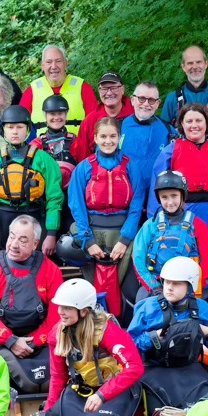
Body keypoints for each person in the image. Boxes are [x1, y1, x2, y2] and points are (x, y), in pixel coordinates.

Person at [38, 279, 145, 416]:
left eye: (67, 308)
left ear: (84, 311)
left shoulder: (108, 331)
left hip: (114, 388)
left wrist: (103, 394)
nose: (61, 312)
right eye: (60, 307)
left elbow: (134, 368)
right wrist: (47, 410)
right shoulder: (58, 332)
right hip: (84, 388)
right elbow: (58, 377)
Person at [65, 117, 146, 315]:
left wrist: (125, 240)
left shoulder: (131, 167)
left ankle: (124, 329)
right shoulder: (84, 168)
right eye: (103, 136)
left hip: (122, 233)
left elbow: (136, 207)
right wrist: (88, 240)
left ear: (119, 137)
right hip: (92, 231)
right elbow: (76, 206)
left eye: (113, 136)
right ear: (95, 138)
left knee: (127, 289)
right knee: (92, 290)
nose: (108, 141)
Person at [0, 216, 64, 393]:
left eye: (23, 240)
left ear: (35, 244)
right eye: (12, 237)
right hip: (2, 340)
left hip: (40, 341)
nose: (14, 244)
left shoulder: (50, 270)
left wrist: (34, 342)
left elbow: (57, 316)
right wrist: (10, 340)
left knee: (46, 383)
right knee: (28, 383)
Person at [128, 257, 208, 410]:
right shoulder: (147, 306)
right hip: (155, 369)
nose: (169, 288)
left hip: (189, 368)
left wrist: (205, 331)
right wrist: (154, 336)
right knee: (160, 406)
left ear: (190, 286)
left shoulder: (200, 307)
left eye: (176, 283)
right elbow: (129, 343)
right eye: (166, 282)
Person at [0, 104, 64, 255]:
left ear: (28, 130)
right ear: (3, 129)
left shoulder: (43, 159)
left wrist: (51, 233)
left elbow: (54, 198)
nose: (15, 132)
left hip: (33, 216)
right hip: (1, 221)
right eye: (10, 127)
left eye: (19, 127)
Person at [131, 170, 208, 301]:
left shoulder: (197, 225)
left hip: (189, 287)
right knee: (141, 304)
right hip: (156, 285)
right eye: (164, 197)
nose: (170, 202)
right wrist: (155, 287)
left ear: (183, 195)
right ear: (158, 198)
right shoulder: (150, 225)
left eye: (174, 196)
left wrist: (189, 288)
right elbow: (138, 259)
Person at [150, 103, 208, 225]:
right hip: (183, 217)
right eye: (189, 121)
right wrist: (155, 220)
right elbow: (156, 189)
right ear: (182, 124)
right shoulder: (170, 152)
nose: (194, 125)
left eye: (199, 120)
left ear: (206, 123)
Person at [20, 44, 99, 136]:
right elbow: (20, 125)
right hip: (40, 148)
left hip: (76, 147)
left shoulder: (83, 87)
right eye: (49, 62)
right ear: (42, 66)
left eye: (58, 61)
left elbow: (96, 123)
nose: (54, 66)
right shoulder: (31, 91)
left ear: (66, 63)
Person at [160, 45, 208, 124]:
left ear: (206, 64)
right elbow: (164, 131)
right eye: (190, 63)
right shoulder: (172, 98)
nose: (195, 67)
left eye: (199, 62)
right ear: (183, 67)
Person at [73, 72, 131, 161]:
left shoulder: (134, 115)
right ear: (99, 91)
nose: (108, 93)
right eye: (104, 89)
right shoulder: (90, 121)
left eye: (114, 88)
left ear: (122, 89)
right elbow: (83, 156)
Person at [119, 81, 173, 171]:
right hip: (124, 183)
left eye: (151, 100)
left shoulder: (168, 131)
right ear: (132, 100)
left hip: (156, 184)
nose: (146, 104)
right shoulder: (118, 128)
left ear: (157, 104)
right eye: (142, 98)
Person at [34, 94, 78, 189]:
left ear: (66, 115)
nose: (56, 117)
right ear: (45, 116)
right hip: (45, 194)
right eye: (52, 114)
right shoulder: (37, 144)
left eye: (60, 113)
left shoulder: (76, 142)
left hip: (71, 192)